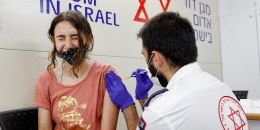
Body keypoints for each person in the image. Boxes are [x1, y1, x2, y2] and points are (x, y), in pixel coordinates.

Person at [105, 12, 249, 130]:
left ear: (155, 58)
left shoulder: (162, 111)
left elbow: (160, 118)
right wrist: (143, 98)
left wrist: (127, 105)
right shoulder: (221, 87)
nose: (146, 63)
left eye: (145, 56)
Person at [32, 11, 119, 130]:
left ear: (88, 39)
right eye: (61, 38)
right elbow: (44, 127)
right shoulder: (46, 78)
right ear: (54, 42)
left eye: (75, 37)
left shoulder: (107, 75)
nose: (68, 45)